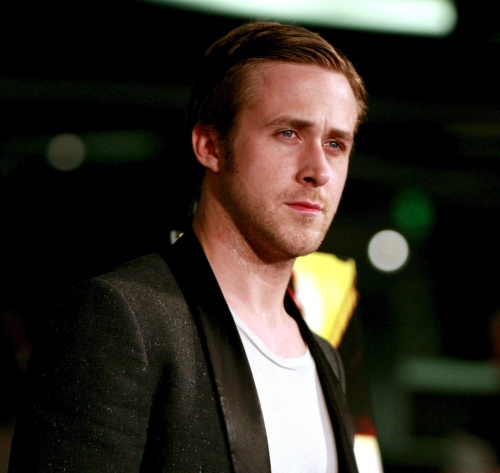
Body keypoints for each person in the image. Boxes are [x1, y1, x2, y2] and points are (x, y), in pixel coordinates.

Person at [8, 20, 368, 473]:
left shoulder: (324, 359)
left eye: (335, 144)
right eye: (288, 133)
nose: (319, 170)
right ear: (210, 145)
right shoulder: (123, 319)